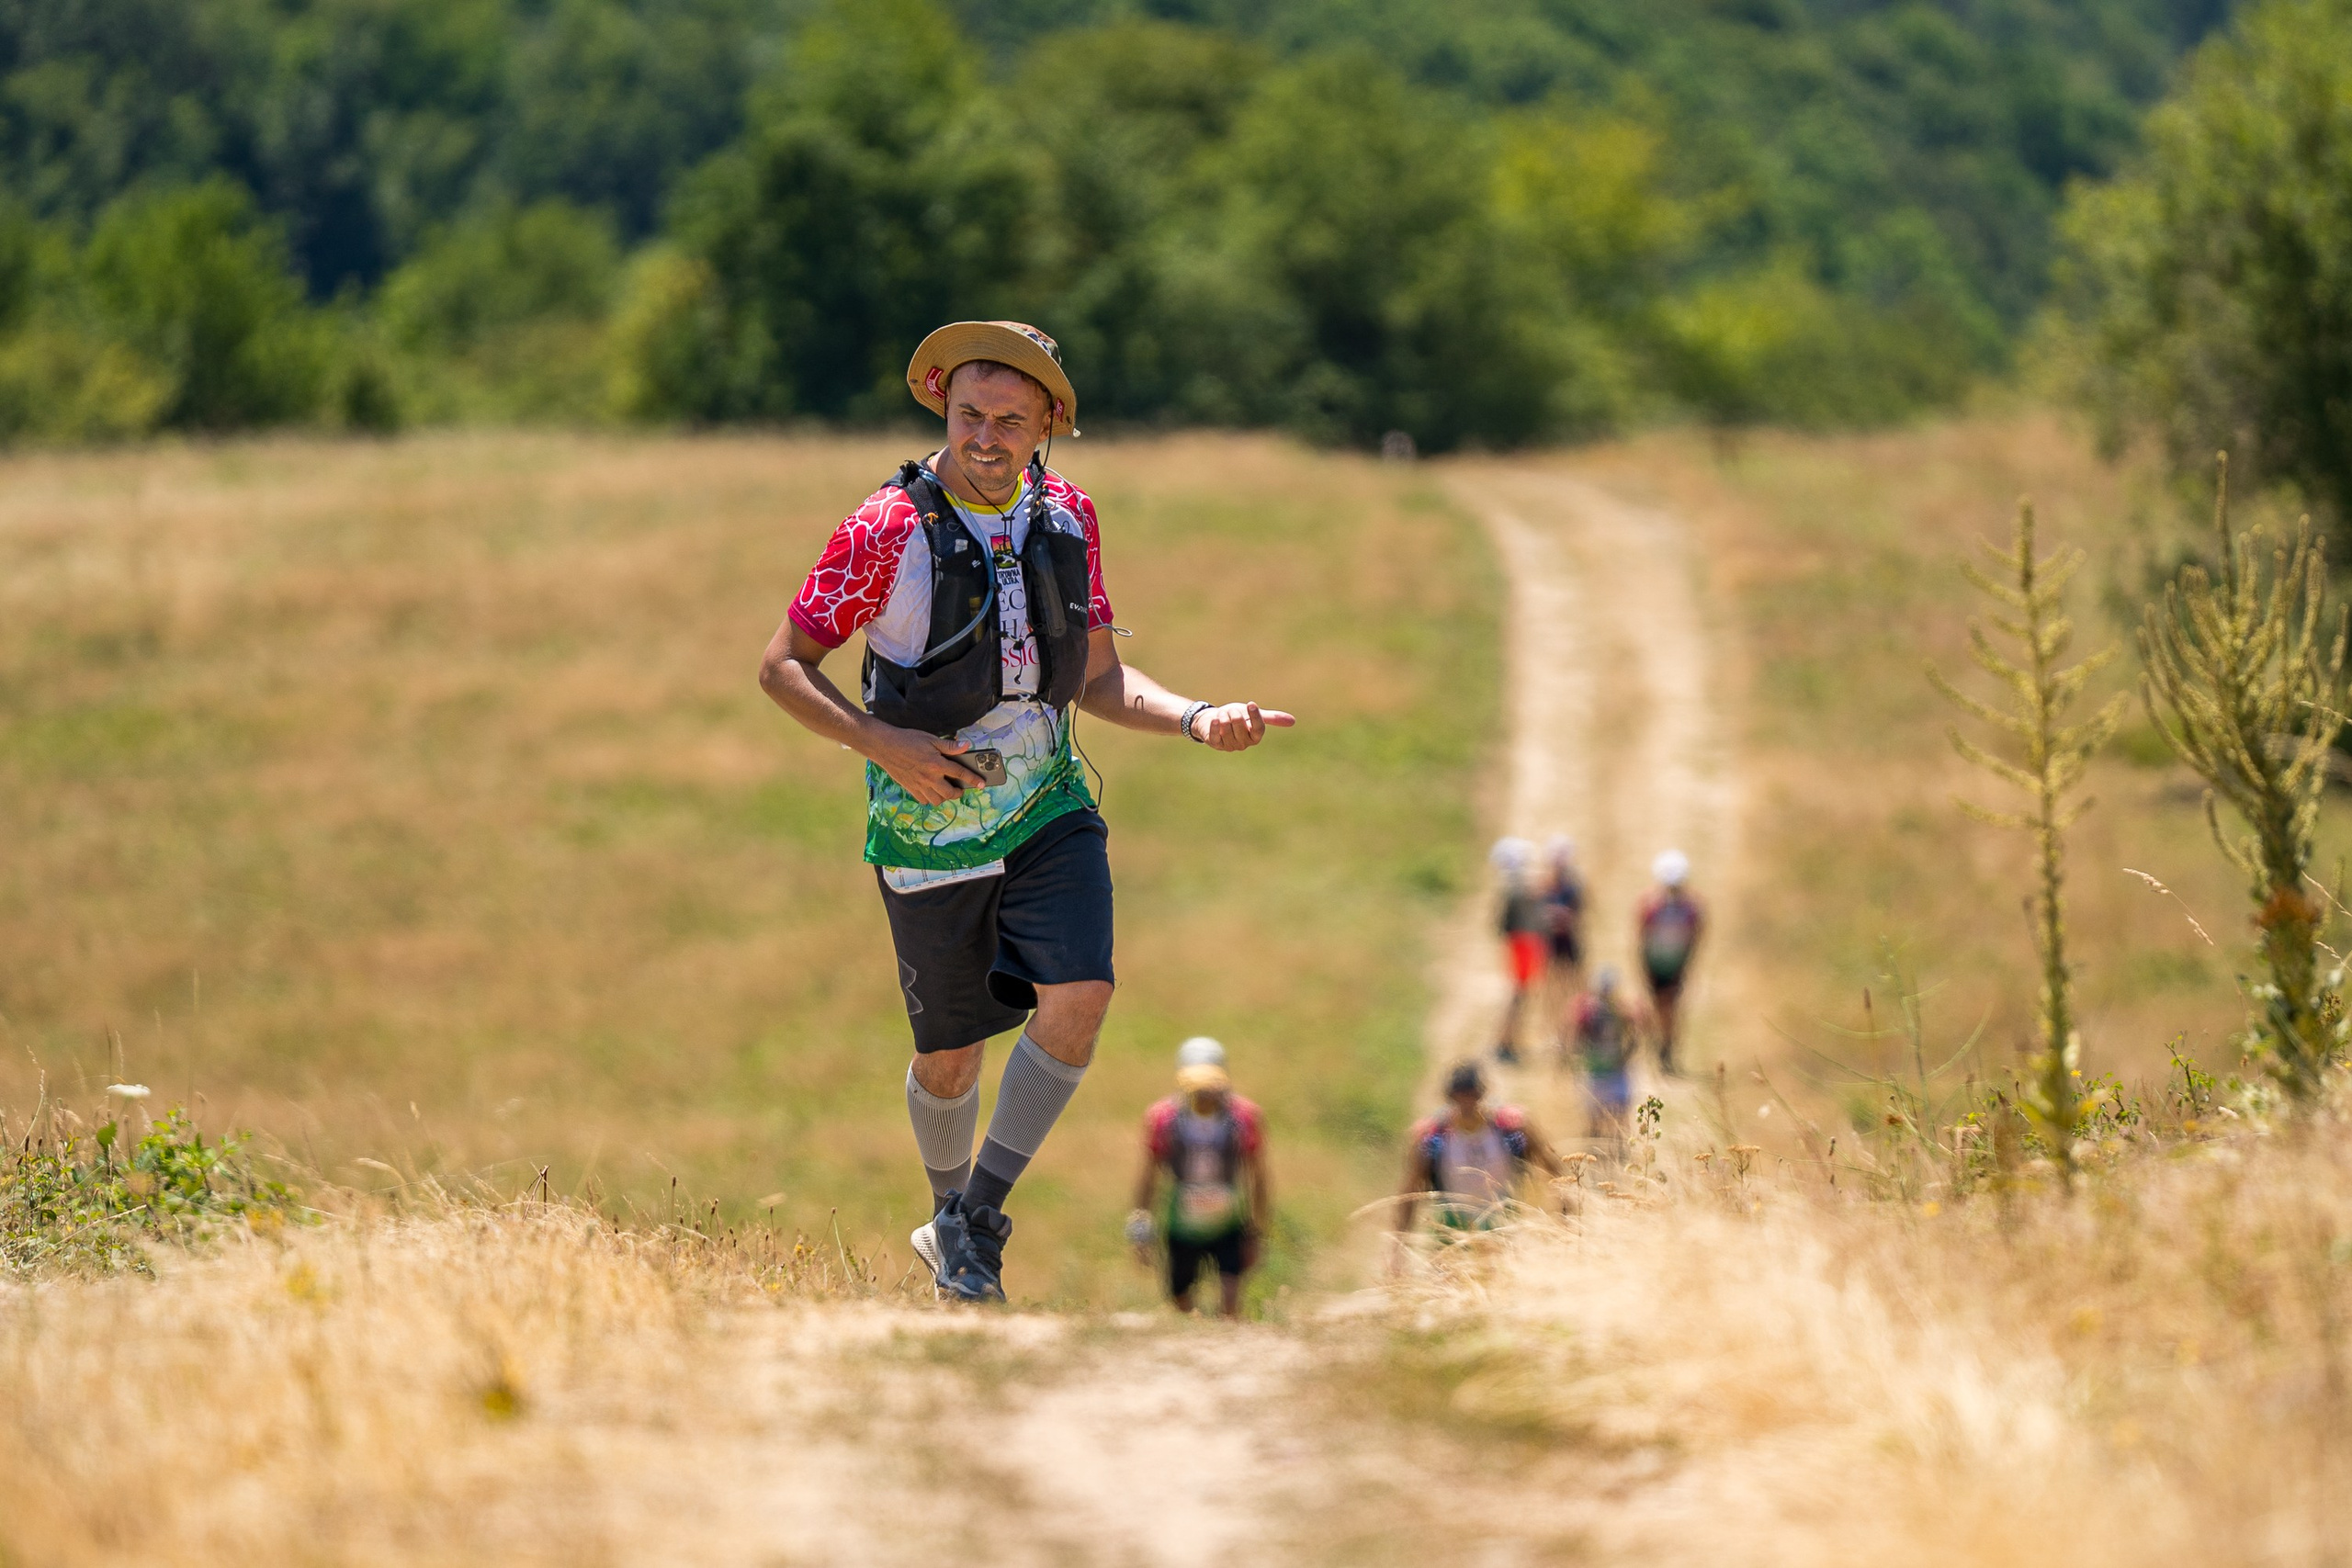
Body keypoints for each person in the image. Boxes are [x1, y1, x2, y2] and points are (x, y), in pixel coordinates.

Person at [757, 321, 1295, 1303]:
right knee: (950, 1056)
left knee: (1081, 994)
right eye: (969, 414)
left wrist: (1197, 716)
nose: (986, 438)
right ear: (942, 407)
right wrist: (883, 744)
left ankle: (977, 1221)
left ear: (1049, 424)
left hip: (1049, 803)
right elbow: (783, 666)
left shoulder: (1070, 515)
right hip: (929, 827)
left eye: (1010, 420)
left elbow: (1097, 677)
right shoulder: (881, 528)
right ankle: (949, 1217)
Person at [1126, 1037, 1271, 1319]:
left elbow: (1259, 1179)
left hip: (1229, 1225)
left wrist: (1256, 1232)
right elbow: (1148, 1178)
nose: (1205, 1096)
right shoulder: (1163, 1119)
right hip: (1182, 1227)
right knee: (1181, 1304)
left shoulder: (1244, 1118)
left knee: (1230, 1305)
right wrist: (1140, 1229)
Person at [1391, 1062, 1562, 1246]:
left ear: (1482, 1094)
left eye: (1472, 1095)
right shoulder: (1432, 1137)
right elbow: (1410, 1192)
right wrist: (1399, 1244)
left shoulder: (1512, 1128)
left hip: (1502, 1223)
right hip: (1451, 1228)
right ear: (1450, 1098)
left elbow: (1551, 1166)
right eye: (1460, 1097)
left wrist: (1564, 1214)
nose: (1467, 1103)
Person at [1635, 849, 1705, 1076]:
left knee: (1671, 1009)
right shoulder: (1650, 903)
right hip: (1657, 964)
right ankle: (1662, 1048)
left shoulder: (1690, 906)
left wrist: (1687, 963)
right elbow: (1642, 935)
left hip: (1675, 965)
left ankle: (1666, 1051)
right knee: (1659, 1008)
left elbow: (1696, 934)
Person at [1490, 837, 1546, 1065]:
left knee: (1519, 996)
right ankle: (1505, 1042)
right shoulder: (1516, 887)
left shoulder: (1511, 885)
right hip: (1521, 944)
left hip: (1519, 943)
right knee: (1518, 996)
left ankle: (1509, 1041)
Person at [1571, 965, 1637, 1151]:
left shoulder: (1619, 1011)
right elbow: (1577, 1038)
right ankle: (1599, 1145)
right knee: (1599, 1112)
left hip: (1609, 1068)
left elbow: (1633, 1037)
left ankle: (1614, 1144)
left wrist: (1624, 1056)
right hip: (1599, 1068)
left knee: (1617, 1111)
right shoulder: (1589, 1012)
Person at [1541, 832, 1587, 1004]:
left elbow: (1580, 909)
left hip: (1567, 936)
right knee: (1552, 980)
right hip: (1553, 937)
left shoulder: (1573, 883)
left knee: (1573, 978)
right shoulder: (1545, 884)